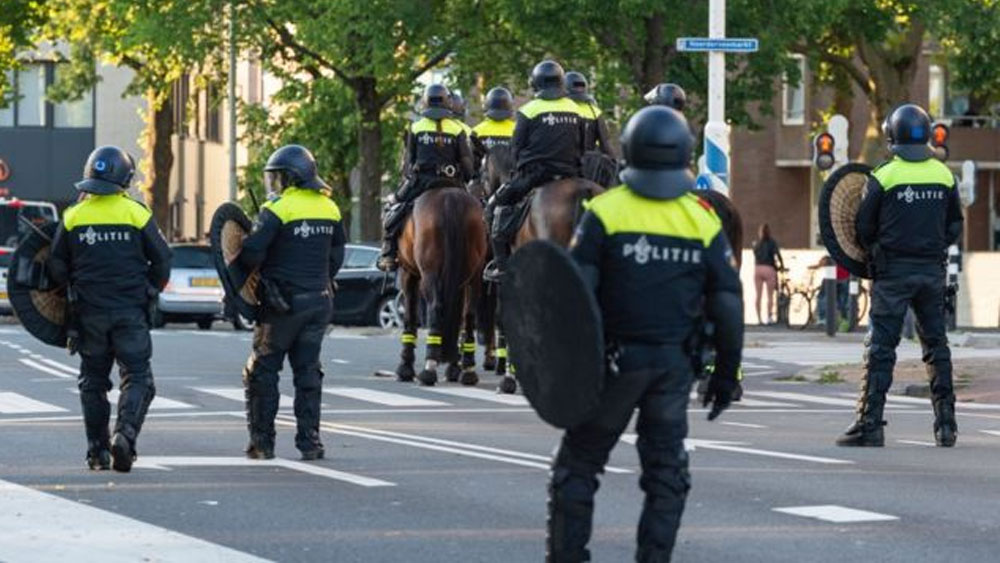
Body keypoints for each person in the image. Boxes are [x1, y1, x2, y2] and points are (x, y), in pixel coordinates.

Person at [549, 105, 744, 562]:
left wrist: (564, 368)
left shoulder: (604, 212)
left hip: (613, 366)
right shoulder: (701, 220)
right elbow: (729, 304)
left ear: (630, 152)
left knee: (577, 468)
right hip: (673, 368)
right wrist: (725, 375)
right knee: (666, 476)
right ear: (684, 155)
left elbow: (574, 296)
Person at [837, 103, 963, 448]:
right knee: (937, 346)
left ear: (893, 136)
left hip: (893, 273)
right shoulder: (943, 174)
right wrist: (934, 246)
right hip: (932, 272)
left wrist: (876, 251)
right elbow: (955, 224)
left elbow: (862, 226)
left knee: (881, 348)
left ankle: (870, 424)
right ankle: (947, 425)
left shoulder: (884, 175)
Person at [47, 145, 172, 472]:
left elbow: (56, 266)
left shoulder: (74, 215)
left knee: (93, 381)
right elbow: (162, 259)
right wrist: (149, 288)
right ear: (126, 178)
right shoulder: (136, 213)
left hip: (89, 314)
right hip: (130, 311)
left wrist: (73, 289)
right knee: (139, 378)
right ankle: (125, 436)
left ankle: (97, 452)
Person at [238, 144, 346, 460]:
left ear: (290, 177)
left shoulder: (277, 210)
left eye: (278, 178)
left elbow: (250, 255)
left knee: (263, 372)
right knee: (308, 372)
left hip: (281, 306)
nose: (274, 184)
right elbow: (337, 255)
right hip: (319, 303)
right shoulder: (331, 208)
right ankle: (310, 442)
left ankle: (263, 442)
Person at [484, 60, 586, 281]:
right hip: (571, 174)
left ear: (536, 84)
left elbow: (516, 149)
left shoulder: (528, 110)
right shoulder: (575, 109)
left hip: (535, 177)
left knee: (493, 207)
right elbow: (584, 146)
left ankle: (501, 266)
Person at [378, 84, 474, 271]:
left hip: (421, 183)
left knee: (393, 207)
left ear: (425, 102)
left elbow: (407, 165)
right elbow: (468, 165)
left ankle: (388, 253)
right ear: (448, 103)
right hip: (452, 182)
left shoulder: (415, 128)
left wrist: (410, 175)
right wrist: (466, 177)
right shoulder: (457, 129)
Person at [566, 71, 614, 157]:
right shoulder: (595, 112)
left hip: (565, 162)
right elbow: (605, 144)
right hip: (588, 164)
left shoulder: (560, 110)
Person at [470, 86, 516, 172]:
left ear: (487, 105)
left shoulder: (477, 131)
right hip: (512, 179)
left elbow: (472, 162)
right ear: (510, 106)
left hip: (484, 179)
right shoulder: (517, 129)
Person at [752, 223, 783, 325]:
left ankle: (759, 319)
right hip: (769, 269)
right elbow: (778, 255)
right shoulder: (772, 242)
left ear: (760, 232)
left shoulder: (757, 244)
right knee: (770, 296)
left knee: (758, 295)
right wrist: (781, 266)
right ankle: (769, 317)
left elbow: (755, 254)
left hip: (758, 269)